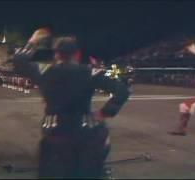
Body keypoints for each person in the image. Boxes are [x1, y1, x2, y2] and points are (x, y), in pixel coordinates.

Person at [13, 30, 130, 178]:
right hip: (85, 132)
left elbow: (19, 61)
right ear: (77, 54)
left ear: (56, 54)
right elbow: (122, 91)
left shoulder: (45, 71)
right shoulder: (90, 72)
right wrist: (104, 113)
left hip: (55, 133)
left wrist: (33, 41)